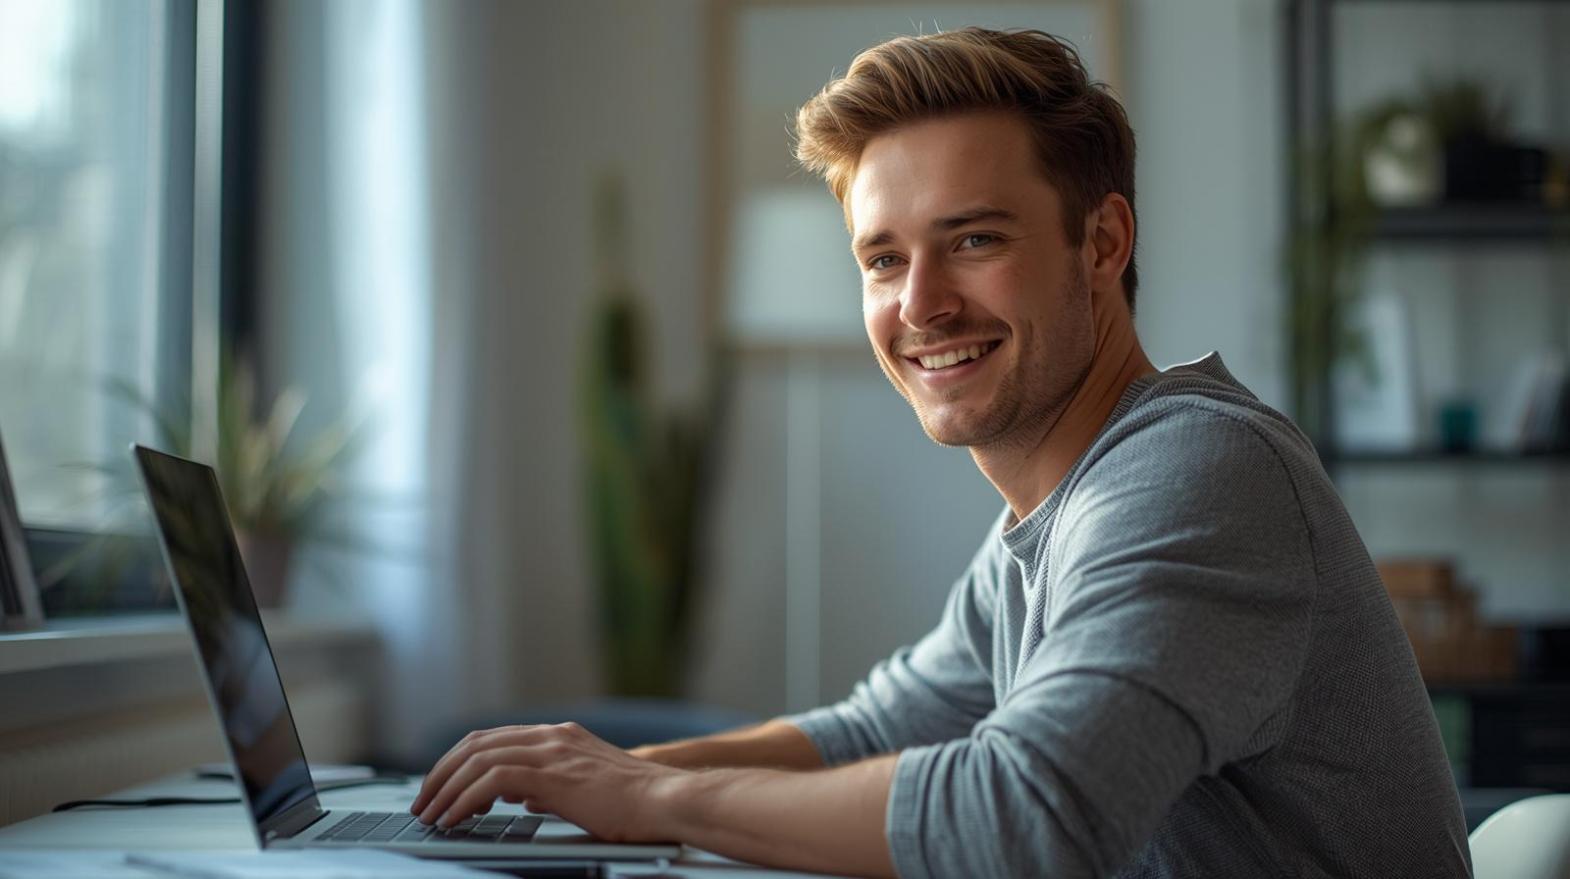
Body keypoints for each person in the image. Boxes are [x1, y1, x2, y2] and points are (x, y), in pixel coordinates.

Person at [412, 27, 1471, 878]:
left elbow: (1028, 814)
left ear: (1102, 243)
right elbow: (879, 728)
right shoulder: (1058, 506)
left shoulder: (1197, 473)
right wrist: (586, 774)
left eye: (973, 239)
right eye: (883, 259)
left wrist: (651, 797)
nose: (919, 305)